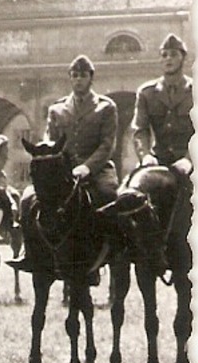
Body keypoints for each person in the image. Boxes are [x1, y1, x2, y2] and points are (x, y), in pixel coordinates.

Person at [11, 55, 119, 272]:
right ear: (70, 78)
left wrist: (87, 167)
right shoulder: (57, 109)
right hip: (62, 172)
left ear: (91, 78)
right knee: (28, 199)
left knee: (109, 196)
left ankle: (114, 251)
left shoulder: (106, 107)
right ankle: (30, 252)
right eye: (75, 75)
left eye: (83, 75)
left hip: (97, 170)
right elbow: (50, 142)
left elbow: (107, 145)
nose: (79, 79)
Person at [132, 33, 194, 177]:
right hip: (158, 161)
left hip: (192, 163)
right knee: (128, 191)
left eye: (173, 54)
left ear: (183, 58)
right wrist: (146, 156)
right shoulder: (147, 92)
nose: (168, 59)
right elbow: (140, 130)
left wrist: (189, 159)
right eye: (164, 55)